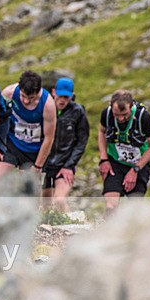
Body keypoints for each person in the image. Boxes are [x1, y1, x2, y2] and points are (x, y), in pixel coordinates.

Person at [98, 90, 150, 215]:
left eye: (125, 114)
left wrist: (135, 170)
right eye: (116, 114)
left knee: (135, 207)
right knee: (110, 205)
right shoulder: (107, 114)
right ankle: (108, 226)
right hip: (115, 163)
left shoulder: (143, 117)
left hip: (138, 164)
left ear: (131, 107)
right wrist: (104, 159)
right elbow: (101, 132)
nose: (120, 118)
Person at [0, 70, 57, 180]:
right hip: (12, 143)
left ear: (38, 92)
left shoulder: (48, 105)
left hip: (35, 150)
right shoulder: (9, 93)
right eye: (23, 96)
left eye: (31, 98)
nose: (26, 101)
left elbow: (49, 137)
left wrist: (38, 166)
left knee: (31, 189)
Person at [43, 77, 90, 211]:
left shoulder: (78, 112)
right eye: (60, 96)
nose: (62, 100)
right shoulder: (44, 108)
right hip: (44, 164)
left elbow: (82, 141)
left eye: (66, 97)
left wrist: (69, 165)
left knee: (59, 200)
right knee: (44, 205)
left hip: (64, 164)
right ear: (53, 92)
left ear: (72, 96)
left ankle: (69, 223)